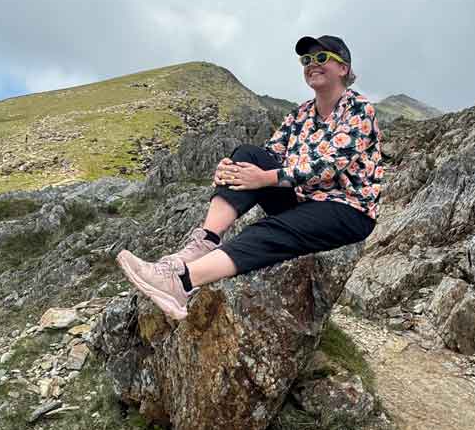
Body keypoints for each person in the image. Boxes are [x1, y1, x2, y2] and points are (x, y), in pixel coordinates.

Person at [116, 34, 385, 320]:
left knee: (268, 230)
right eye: (306, 60)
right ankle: (204, 243)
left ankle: (181, 283)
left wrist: (265, 179)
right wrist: (233, 169)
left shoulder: (359, 109)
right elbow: (269, 154)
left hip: (346, 210)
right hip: (302, 199)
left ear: (343, 68)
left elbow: (329, 166)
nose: (311, 65)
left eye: (321, 58)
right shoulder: (301, 114)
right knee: (247, 154)